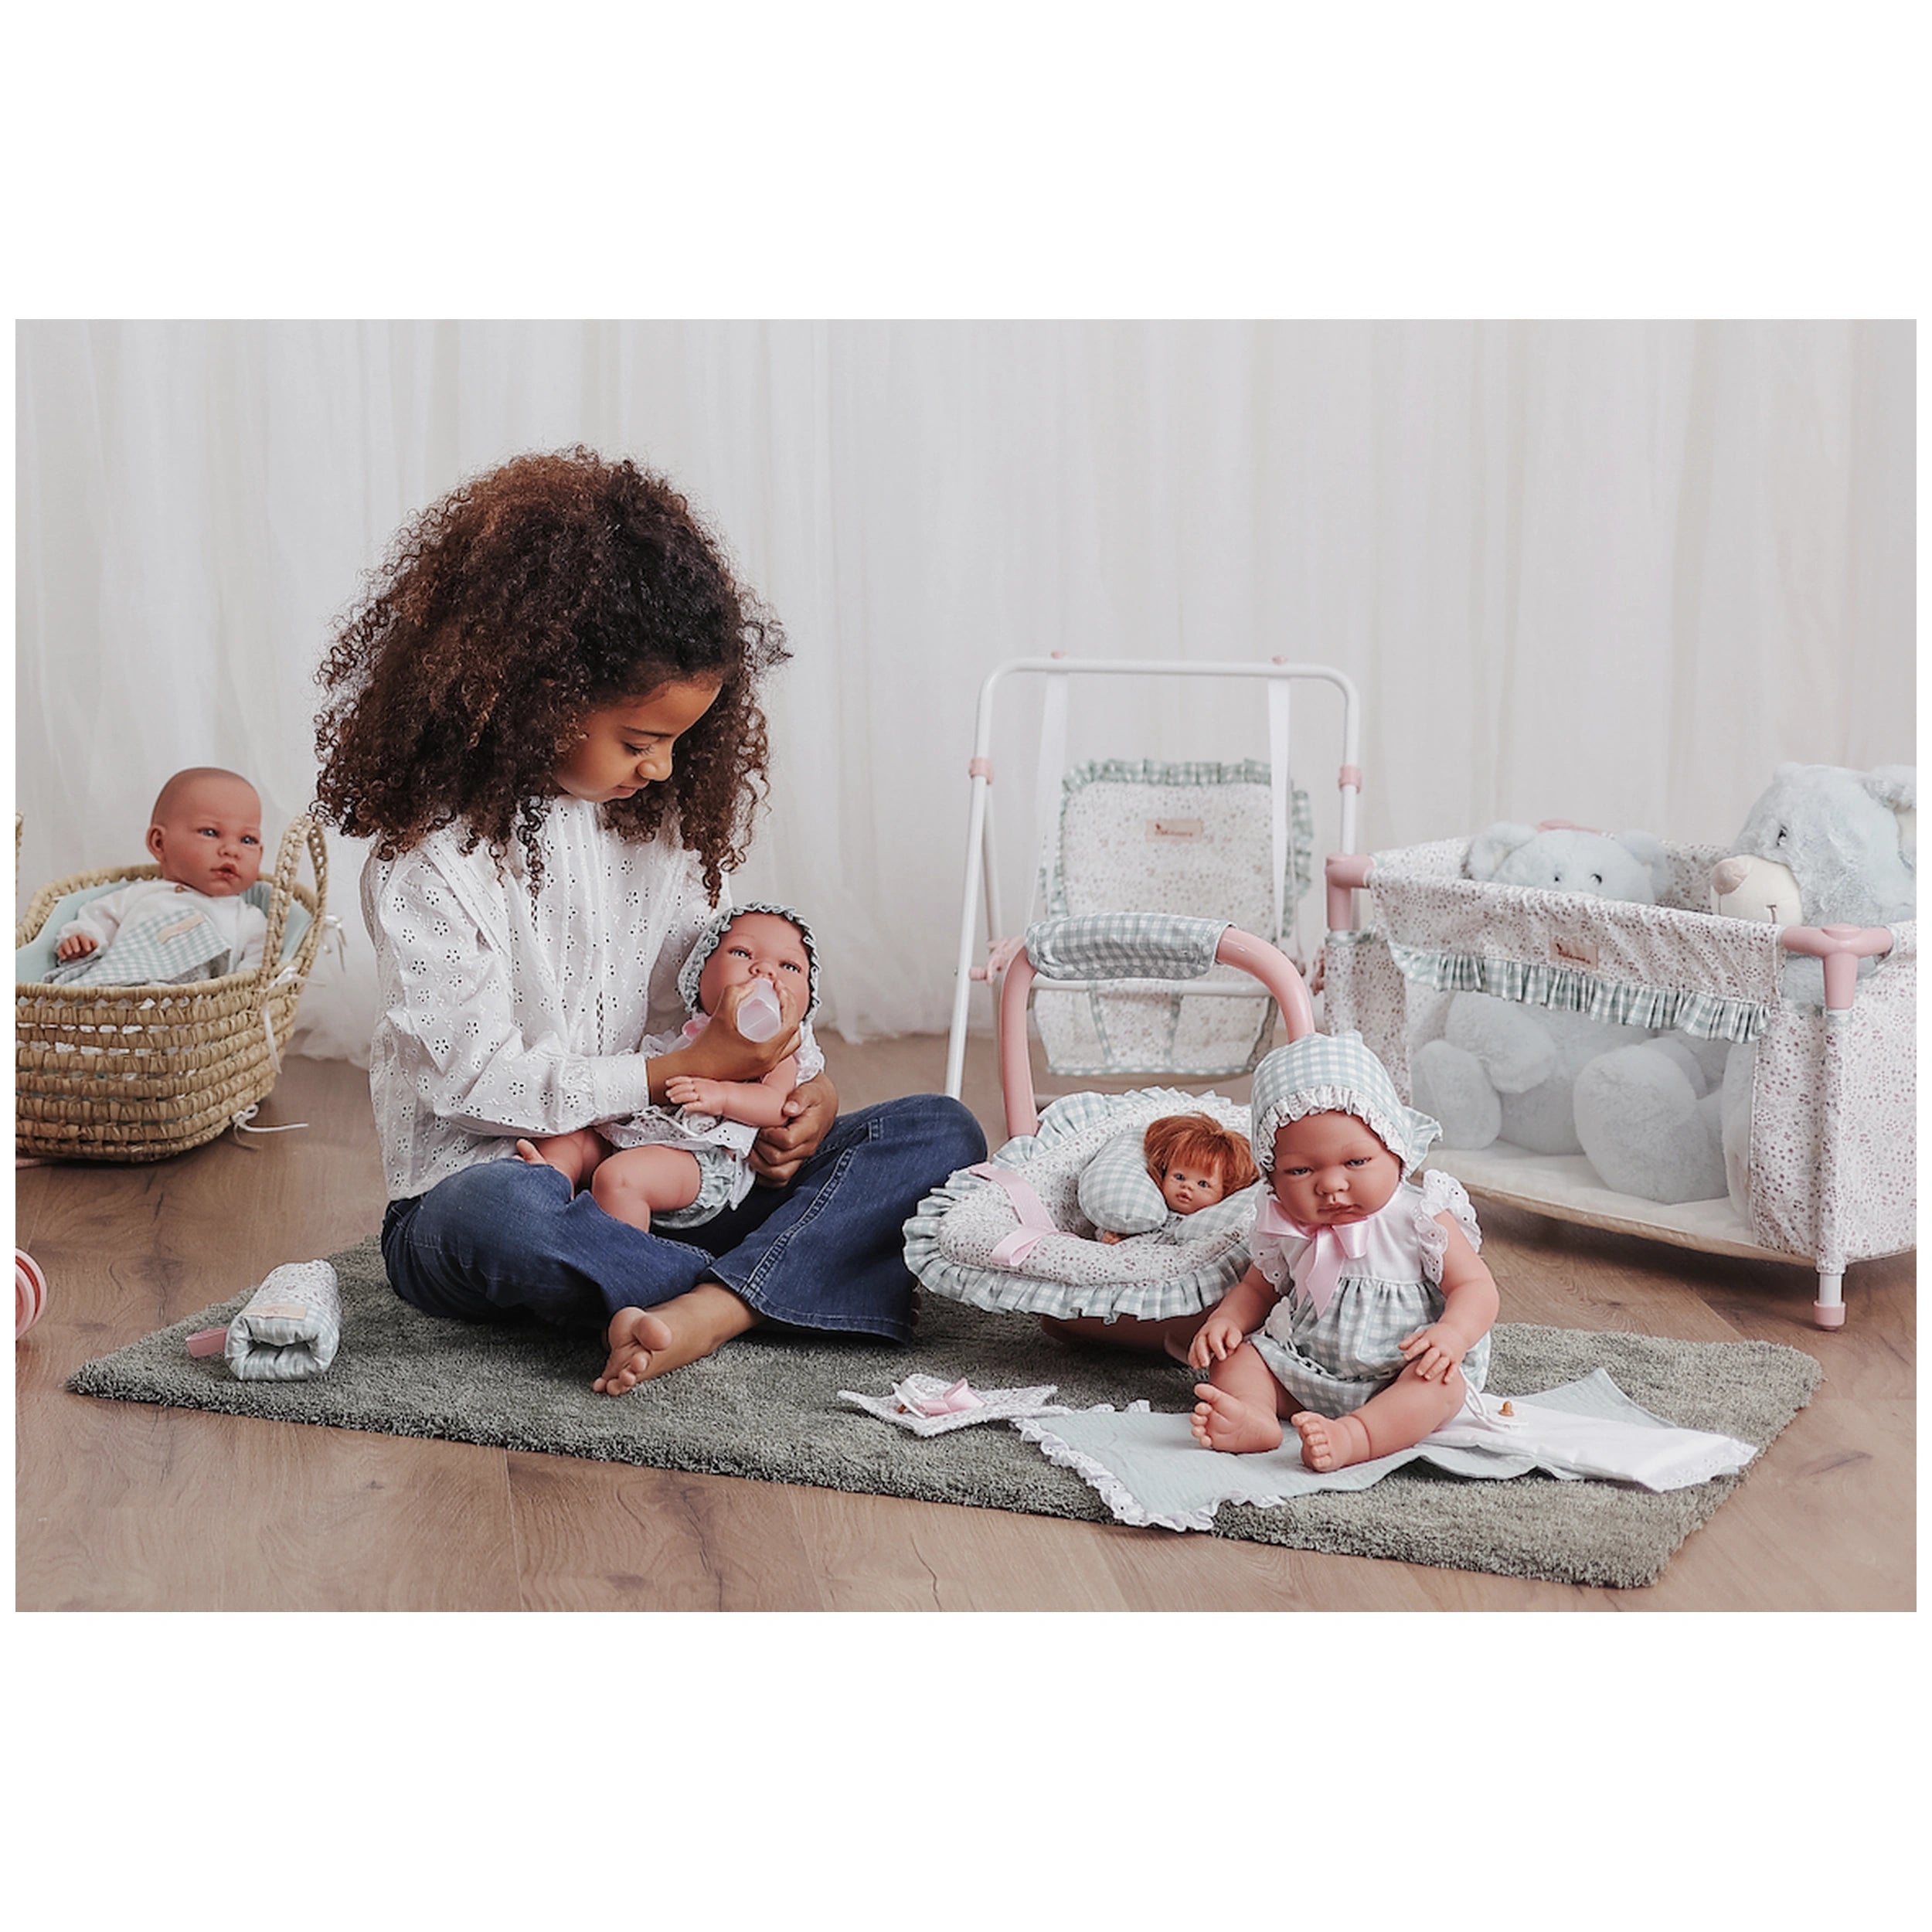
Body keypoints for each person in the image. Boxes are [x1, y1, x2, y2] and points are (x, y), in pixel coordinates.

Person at [312, 449, 985, 1396]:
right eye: (640, 740)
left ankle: (695, 1306)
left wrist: (808, 1101)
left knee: (939, 1129)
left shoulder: (653, 827)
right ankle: (780, 1281)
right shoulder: (432, 862)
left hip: (677, 1172)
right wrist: (672, 1073)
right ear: (531, 696)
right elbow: (470, 1081)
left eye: (678, 743)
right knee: (490, 1222)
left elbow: (720, 998)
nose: (664, 770)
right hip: (508, 1180)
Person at [1188, 1031, 1499, 1470]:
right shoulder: (1284, 1224)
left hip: (1401, 1371)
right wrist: (1225, 1320)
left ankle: (1357, 1435)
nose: (1331, 1185)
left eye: (1355, 1163)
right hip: (1308, 1366)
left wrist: (1452, 1334)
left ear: (1395, 1149)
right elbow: (1258, 1289)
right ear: (1272, 1178)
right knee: (1238, 1358)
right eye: (1300, 1170)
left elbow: (1475, 1286)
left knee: (1442, 1388)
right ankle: (1255, 1416)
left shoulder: (1420, 1215)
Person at [515, 902, 821, 1236]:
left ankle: (618, 1272)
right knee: (570, 1136)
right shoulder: (686, 1034)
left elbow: (776, 1105)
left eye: (789, 965)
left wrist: (722, 1095)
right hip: (635, 1134)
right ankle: (549, 1184)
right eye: (742, 954)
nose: (764, 971)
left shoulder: (778, 1048)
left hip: (699, 1158)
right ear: (699, 974)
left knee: (618, 1179)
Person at [47, 767, 269, 985]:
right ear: (159, 843)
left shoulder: (247, 919)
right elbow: (95, 920)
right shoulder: (140, 894)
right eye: (210, 833)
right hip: (123, 1000)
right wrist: (82, 940)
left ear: (260, 853)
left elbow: (258, 969)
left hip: (195, 1011)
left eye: (248, 840)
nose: (232, 850)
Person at [1095, 1111, 1260, 1243]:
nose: (1187, 1186)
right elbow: (1118, 1220)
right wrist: (1113, 1235)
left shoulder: (1206, 1224)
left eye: (1203, 1184)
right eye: (1179, 1177)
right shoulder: (1150, 1209)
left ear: (1225, 1192)